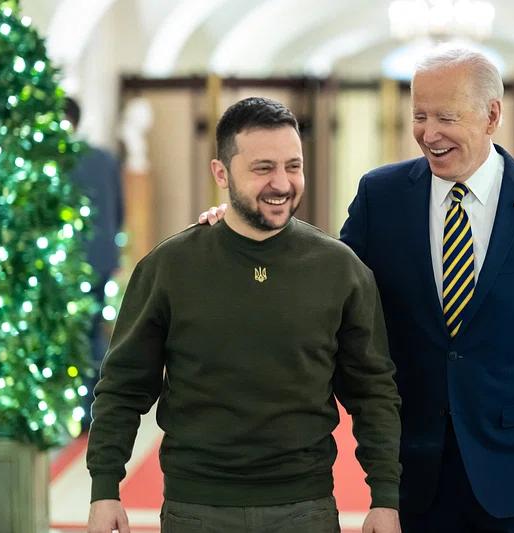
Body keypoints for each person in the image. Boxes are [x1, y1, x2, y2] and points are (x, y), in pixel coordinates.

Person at [201, 48, 514, 533]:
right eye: (419, 115)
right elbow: (322, 282)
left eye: (445, 117)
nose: (428, 133)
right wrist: (245, 231)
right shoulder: (383, 196)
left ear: (492, 115)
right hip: (412, 471)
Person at [87, 97, 402, 533]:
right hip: (195, 507)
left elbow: (373, 392)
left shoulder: (340, 269)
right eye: (263, 168)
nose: (282, 182)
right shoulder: (169, 268)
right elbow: (122, 387)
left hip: (305, 506)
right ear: (221, 173)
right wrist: (105, 489)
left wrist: (384, 497)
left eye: (293, 166)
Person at [64, 97, 125, 431]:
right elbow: (119, 210)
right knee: (94, 334)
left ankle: (76, 409)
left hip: (69, 263)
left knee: (72, 336)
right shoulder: (104, 159)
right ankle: (95, 408)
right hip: (101, 258)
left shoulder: (59, 160)